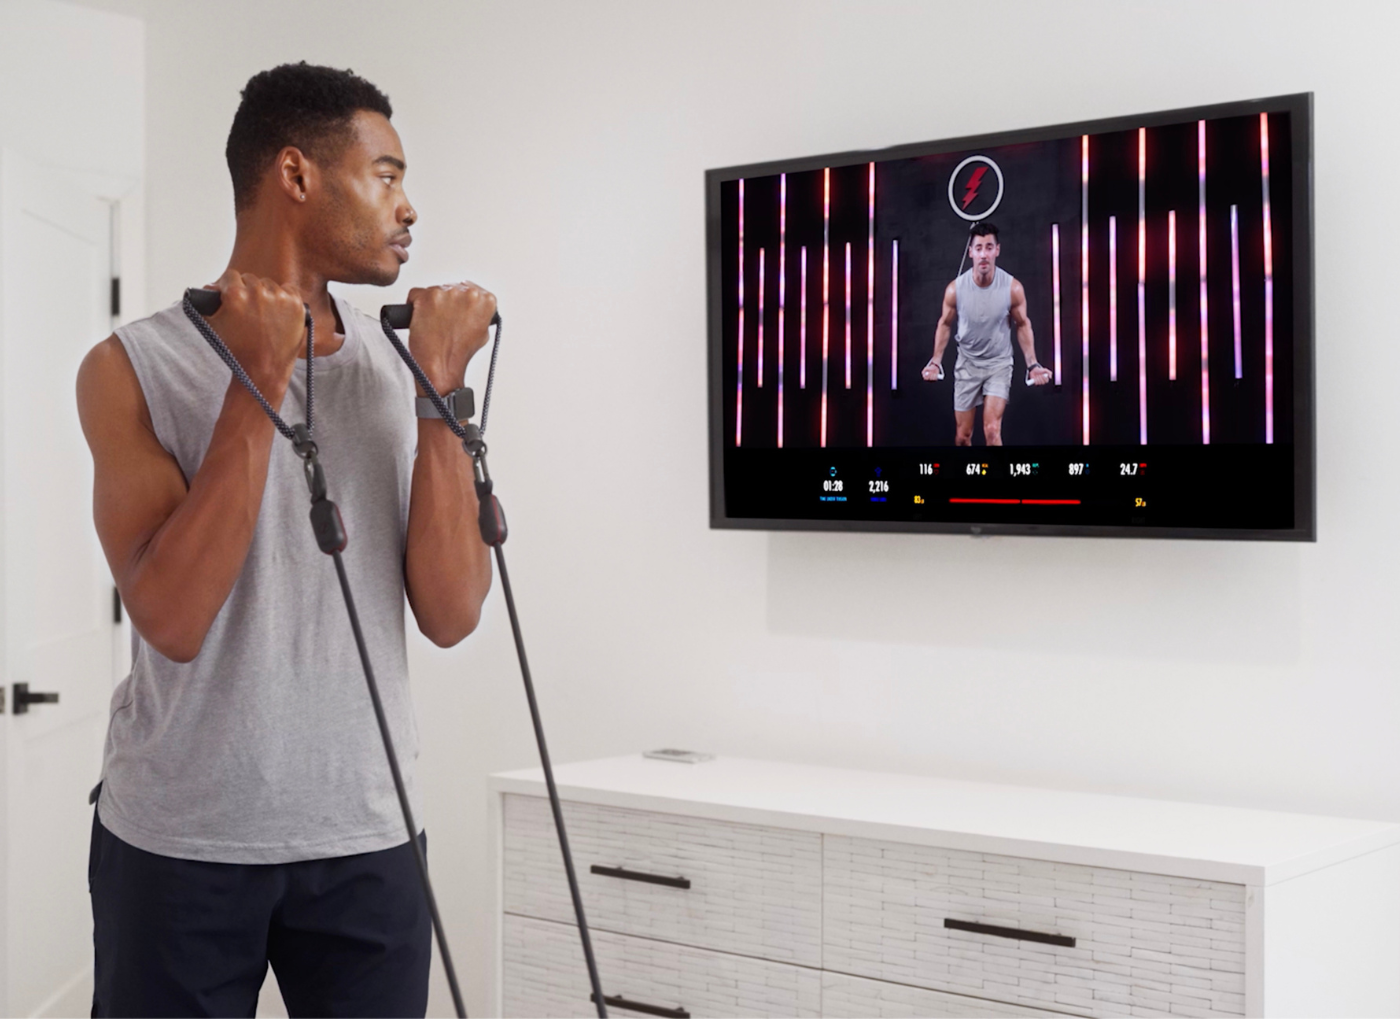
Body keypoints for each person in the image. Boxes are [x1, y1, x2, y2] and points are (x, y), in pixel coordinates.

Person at [74, 62, 494, 1017]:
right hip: (181, 841)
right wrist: (257, 384)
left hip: (368, 833)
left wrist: (439, 401)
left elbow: (453, 612)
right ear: (298, 176)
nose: (408, 206)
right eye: (385, 175)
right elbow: (171, 618)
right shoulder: (131, 367)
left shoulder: (402, 366)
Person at [921, 221, 1051, 444]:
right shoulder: (955, 289)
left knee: (992, 430)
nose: (983, 254)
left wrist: (1033, 364)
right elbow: (944, 324)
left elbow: (1022, 324)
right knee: (963, 436)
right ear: (970, 252)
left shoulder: (1013, 288)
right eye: (978, 248)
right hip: (967, 365)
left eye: (989, 247)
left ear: (997, 250)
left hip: (998, 364)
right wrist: (935, 361)